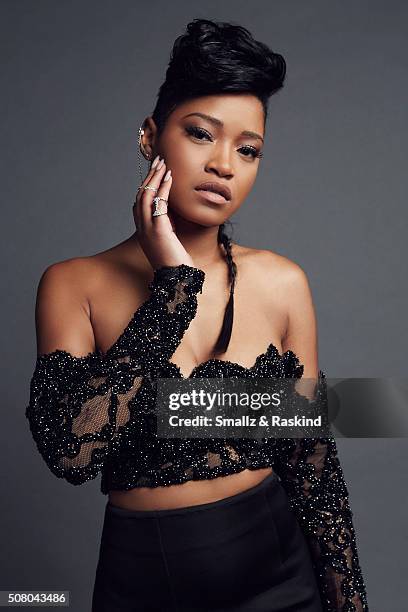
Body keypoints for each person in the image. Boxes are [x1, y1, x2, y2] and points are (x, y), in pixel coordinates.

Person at [25, 18, 369, 612]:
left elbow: (312, 465)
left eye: (248, 148)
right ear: (151, 137)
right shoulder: (72, 284)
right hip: (143, 580)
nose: (224, 165)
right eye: (201, 134)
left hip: (281, 576)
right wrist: (174, 286)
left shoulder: (282, 283)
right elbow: (70, 451)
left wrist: (349, 604)